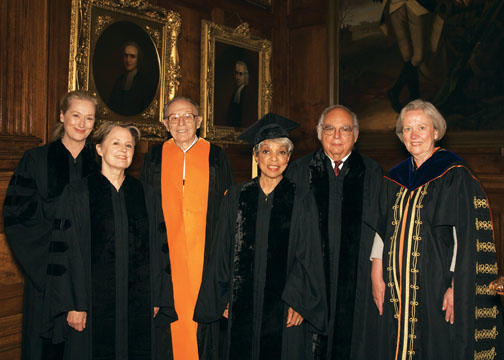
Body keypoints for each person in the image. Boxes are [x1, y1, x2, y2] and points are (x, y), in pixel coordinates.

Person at [370, 99, 504, 359]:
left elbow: (465, 235)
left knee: (435, 344)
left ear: (435, 131)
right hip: (398, 287)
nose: (414, 135)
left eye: (421, 127)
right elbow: (382, 228)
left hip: (436, 285)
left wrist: (457, 286)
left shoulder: (454, 175)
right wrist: (377, 273)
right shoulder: (394, 179)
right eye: (407, 129)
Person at [194, 113, 326, 360]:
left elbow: (309, 254)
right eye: (266, 151)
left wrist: (299, 300)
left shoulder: (302, 199)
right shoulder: (236, 196)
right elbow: (221, 250)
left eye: (282, 152)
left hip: (284, 306)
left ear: (289, 157)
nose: (274, 159)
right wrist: (222, 296)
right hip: (240, 303)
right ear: (256, 156)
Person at [42, 122, 175, 359]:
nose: (123, 150)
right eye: (116, 143)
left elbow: (159, 251)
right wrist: (73, 304)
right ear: (100, 148)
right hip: (90, 306)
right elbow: (64, 253)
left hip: (138, 304)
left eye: (129, 145)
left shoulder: (145, 195)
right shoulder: (77, 194)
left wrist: (157, 297)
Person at [3, 90, 99, 360]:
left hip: (89, 277)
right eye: (75, 115)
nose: (81, 124)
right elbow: (18, 216)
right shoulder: (34, 160)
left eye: (89, 118)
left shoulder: (103, 163)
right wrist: (55, 264)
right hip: (46, 273)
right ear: (62, 116)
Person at [286, 105, 384, 359]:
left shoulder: (372, 173)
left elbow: (382, 231)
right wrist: (296, 292)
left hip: (358, 283)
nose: (337, 136)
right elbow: (287, 238)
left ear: (356, 135)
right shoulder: (298, 172)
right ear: (319, 134)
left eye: (345, 129)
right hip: (310, 284)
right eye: (329, 129)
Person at [141, 96, 234, 359]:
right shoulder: (154, 157)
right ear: (165, 123)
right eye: (174, 117)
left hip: (206, 259)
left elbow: (228, 214)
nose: (181, 122)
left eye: (187, 116)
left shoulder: (216, 157)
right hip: (165, 261)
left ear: (199, 121)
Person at [107, 41, 154, 116]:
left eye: (132, 56)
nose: (128, 60)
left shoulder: (144, 83)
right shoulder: (119, 81)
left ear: (138, 59)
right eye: (126, 56)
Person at [226, 60, 257, 128]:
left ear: (246, 76)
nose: (237, 77)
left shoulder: (247, 92)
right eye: (236, 73)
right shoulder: (236, 91)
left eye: (240, 74)